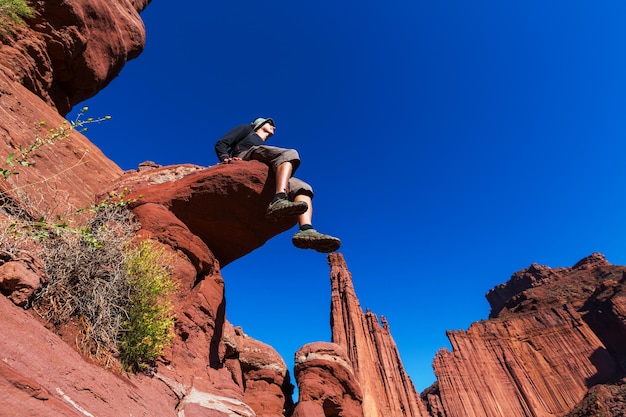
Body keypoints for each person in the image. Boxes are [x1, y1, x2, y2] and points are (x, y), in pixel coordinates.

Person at [215, 117, 341, 253]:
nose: (274, 127)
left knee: (303, 188)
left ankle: (306, 230)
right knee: (289, 153)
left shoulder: (263, 145)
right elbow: (221, 143)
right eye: (270, 124)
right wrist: (225, 158)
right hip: (246, 157)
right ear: (260, 125)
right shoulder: (247, 130)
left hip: (267, 169)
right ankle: (279, 198)